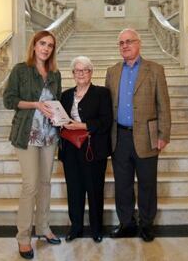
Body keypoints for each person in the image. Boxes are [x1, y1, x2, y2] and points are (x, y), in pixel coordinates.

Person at [105, 28, 171, 242]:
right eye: (121, 42)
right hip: (120, 137)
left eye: (129, 41)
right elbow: (108, 108)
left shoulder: (155, 70)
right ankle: (126, 223)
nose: (125, 45)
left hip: (148, 137)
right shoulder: (112, 71)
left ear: (139, 43)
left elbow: (164, 106)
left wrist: (164, 134)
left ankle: (146, 224)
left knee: (147, 183)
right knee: (122, 184)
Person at [3, 30, 62, 260]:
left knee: (45, 183)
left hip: (49, 135)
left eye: (50, 45)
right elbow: (9, 100)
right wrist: (36, 105)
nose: (46, 48)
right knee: (30, 185)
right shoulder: (20, 70)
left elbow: (55, 102)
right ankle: (24, 237)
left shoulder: (55, 73)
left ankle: (44, 227)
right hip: (27, 134)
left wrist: (60, 117)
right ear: (34, 46)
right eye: (42, 44)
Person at [59, 56, 112, 243]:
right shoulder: (65, 96)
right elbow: (61, 122)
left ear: (91, 72)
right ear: (73, 74)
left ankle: (97, 229)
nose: (81, 73)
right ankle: (76, 227)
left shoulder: (102, 93)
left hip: (93, 150)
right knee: (74, 190)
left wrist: (82, 126)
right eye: (77, 70)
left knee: (95, 190)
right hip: (70, 150)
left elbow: (106, 122)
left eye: (85, 70)